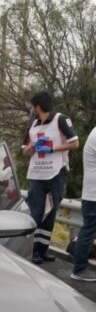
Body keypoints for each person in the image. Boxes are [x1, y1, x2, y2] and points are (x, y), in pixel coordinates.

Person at [22, 90, 80, 264]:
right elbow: (25, 152)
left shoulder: (60, 120)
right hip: (37, 175)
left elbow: (75, 143)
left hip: (56, 173)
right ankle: (33, 251)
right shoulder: (32, 126)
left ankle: (43, 250)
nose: (32, 110)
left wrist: (52, 149)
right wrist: (32, 147)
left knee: (50, 213)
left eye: (33, 107)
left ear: (38, 107)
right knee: (36, 212)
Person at [70, 127, 96, 280]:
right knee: (88, 232)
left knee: (88, 231)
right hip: (93, 195)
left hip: (91, 193)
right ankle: (79, 270)